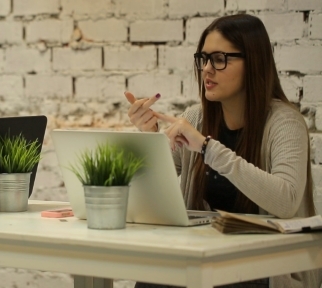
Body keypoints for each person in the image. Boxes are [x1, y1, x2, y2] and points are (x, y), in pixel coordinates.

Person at [126, 14, 320, 288]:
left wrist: (207, 147)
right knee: (154, 277)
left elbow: (286, 202)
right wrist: (149, 138)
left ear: (252, 63)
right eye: (203, 59)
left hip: (266, 268)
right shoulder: (196, 119)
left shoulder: (284, 122)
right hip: (205, 259)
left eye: (219, 59)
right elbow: (152, 196)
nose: (206, 69)